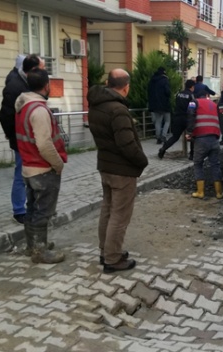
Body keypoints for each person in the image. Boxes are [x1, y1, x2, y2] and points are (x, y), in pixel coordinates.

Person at [88, 69, 148, 273]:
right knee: (119, 215)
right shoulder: (118, 110)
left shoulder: (96, 106)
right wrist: (143, 160)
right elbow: (127, 145)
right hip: (122, 170)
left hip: (105, 166)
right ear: (126, 87)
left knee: (107, 210)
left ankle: (106, 250)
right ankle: (112, 259)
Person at [15, 68, 67, 264]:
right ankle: (39, 251)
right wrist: (58, 164)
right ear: (47, 85)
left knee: (32, 209)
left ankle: (33, 245)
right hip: (42, 169)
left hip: (28, 166)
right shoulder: (39, 110)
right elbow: (44, 144)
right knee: (43, 211)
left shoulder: (22, 106)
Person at [0, 54, 45, 224]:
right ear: (33, 69)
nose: (44, 71)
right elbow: (5, 115)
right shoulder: (15, 85)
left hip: (29, 137)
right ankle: (19, 210)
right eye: (42, 68)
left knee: (33, 172)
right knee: (21, 174)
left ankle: (32, 206)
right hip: (21, 139)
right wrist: (13, 136)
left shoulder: (27, 82)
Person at [186, 90, 223, 199]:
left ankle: (200, 192)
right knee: (215, 164)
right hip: (215, 138)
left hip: (201, 139)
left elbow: (190, 116)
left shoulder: (194, 102)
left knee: (198, 163)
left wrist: (189, 132)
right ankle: (219, 193)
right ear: (206, 96)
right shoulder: (214, 104)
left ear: (195, 96)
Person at [158, 79, 196, 160]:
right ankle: (192, 155)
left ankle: (163, 149)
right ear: (192, 87)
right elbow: (192, 108)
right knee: (192, 136)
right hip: (187, 118)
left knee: (175, 137)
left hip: (177, 117)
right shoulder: (191, 95)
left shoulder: (179, 94)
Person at [147, 67, 171, 144]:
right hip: (164, 104)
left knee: (158, 121)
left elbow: (149, 92)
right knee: (167, 120)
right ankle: (163, 136)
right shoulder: (165, 80)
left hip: (154, 105)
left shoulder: (152, 80)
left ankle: (158, 137)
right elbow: (167, 92)